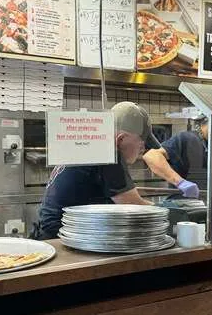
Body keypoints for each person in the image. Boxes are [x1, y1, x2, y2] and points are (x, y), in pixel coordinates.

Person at [36, 102, 160, 240]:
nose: (143, 150)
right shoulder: (108, 151)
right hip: (61, 238)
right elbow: (132, 205)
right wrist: (164, 209)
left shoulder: (91, 142)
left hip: (53, 232)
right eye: (141, 144)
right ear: (121, 139)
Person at [143, 102, 212, 218]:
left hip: (200, 209)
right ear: (209, 121)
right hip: (181, 209)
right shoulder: (187, 138)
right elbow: (151, 156)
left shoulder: (211, 147)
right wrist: (181, 182)